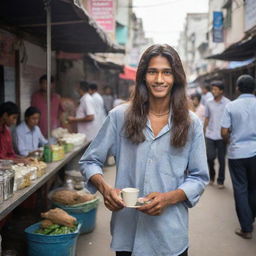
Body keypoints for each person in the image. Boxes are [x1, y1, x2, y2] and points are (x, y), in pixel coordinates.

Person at [79, 44, 209, 256]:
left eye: (166, 72)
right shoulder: (119, 117)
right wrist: (105, 188)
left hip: (169, 238)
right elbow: (89, 161)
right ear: (142, 76)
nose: (159, 79)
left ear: (175, 77)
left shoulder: (191, 123)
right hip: (127, 235)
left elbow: (199, 177)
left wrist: (168, 198)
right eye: (152, 72)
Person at [221, 74, 256, 239]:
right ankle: (251, 216)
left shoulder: (230, 106)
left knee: (241, 189)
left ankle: (246, 228)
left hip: (237, 153)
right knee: (254, 187)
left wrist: (230, 142)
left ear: (237, 88)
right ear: (254, 89)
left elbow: (224, 132)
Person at [204, 81, 230, 188]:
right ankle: (211, 175)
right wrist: (203, 130)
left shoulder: (228, 103)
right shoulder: (209, 102)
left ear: (221, 91)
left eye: (215, 89)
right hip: (210, 134)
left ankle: (220, 181)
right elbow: (206, 117)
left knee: (221, 159)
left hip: (222, 135)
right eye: (212, 89)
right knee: (209, 157)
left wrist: (229, 134)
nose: (213, 91)